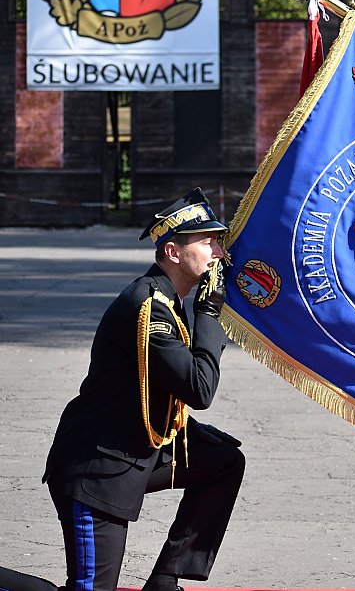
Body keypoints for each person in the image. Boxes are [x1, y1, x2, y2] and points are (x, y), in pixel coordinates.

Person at [0, 188, 246, 591]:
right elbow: (199, 389)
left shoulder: (170, 298)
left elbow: (156, 393)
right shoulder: (148, 308)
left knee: (223, 461)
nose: (218, 253)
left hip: (135, 449)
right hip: (98, 467)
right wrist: (209, 315)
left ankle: (165, 582)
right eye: (208, 243)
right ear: (173, 252)